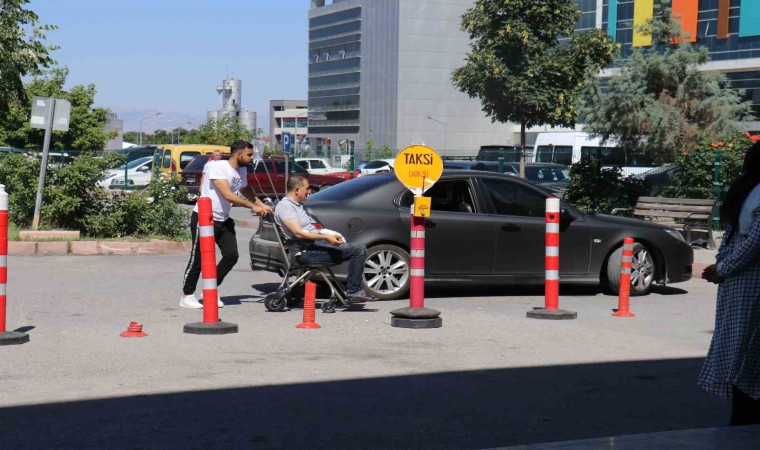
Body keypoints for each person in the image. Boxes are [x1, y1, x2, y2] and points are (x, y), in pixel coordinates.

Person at [699, 141, 760, 425]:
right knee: (748, 357)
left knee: (739, 351)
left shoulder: (748, 191)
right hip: (752, 283)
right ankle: (744, 421)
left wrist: (722, 266)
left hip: (738, 284)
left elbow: (737, 237)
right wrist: (723, 268)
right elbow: (754, 241)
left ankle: (742, 419)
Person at [180, 140, 273, 309]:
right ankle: (187, 295)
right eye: (249, 155)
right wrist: (253, 207)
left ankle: (210, 290)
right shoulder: (218, 167)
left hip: (223, 219)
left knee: (231, 256)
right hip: (205, 218)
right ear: (238, 154)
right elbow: (228, 195)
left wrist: (260, 204)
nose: (252, 158)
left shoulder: (242, 170)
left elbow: (245, 190)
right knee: (198, 260)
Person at [274, 175, 377, 302]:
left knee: (355, 247)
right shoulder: (286, 207)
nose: (309, 191)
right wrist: (327, 238)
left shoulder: (296, 206)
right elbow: (298, 233)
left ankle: (351, 289)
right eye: (306, 188)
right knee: (359, 249)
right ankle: (353, 290)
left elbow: (310, 229)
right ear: (296, 190)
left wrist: (330, 233)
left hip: (312, 247)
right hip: (306, 253)